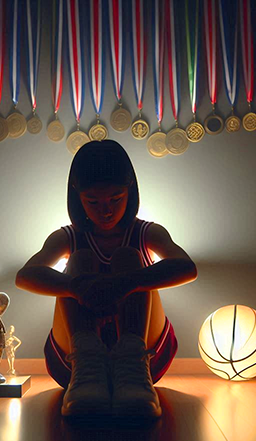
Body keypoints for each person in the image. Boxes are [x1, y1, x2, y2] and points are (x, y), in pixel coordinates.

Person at [16, 140, 197, 418]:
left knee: (128, 258)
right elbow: (25, 276)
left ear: (130, 192)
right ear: (77, 198)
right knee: (79, 261)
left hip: (144, 361)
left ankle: (132, 361)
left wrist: (129, 282)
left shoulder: (146, 233)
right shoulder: (69, 236)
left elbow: (187, 267)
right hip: (76, 364)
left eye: (116, 199)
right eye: (93, 202)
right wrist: (75, 286)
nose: (106, 211)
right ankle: (87, 361)